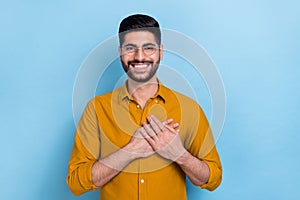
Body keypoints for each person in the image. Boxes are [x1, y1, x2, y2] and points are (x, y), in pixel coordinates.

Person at [67, 14, 222, 200]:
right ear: (120, 52)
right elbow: (76, 183)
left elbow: (213, 178)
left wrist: (179, 154)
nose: (139, 57)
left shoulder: (189, 109)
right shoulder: (97, 109)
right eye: (130, 48)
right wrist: (129, 152)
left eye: (148, 48)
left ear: (160, 52)